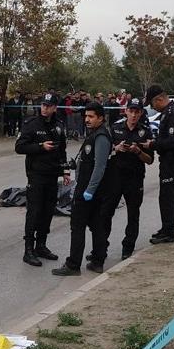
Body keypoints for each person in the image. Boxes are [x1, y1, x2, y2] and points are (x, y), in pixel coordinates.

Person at [52, 102, 114, 276]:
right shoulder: (94, 134)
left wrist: (90, 190)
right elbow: (88, 159)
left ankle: (73, 265)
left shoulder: (101, 136)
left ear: (100, 118)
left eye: (91, 116)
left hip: (89, 191)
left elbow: (100, 166)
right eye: (86, 116)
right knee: (96, 225)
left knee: (78, 226)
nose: (87, 119)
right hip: (88, 188)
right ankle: (97, 261)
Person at [15, 93, 70, 267]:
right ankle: (28, 250)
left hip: (52, 174)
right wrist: (40, 146)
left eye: (49, 106)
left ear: (55, 108)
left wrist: (65, 171)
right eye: (43, 105)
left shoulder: (59, 125)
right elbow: (20, 147)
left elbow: (62, 151)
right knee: (34, 211)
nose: (45, 108)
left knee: (48, 211)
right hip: (36, 174)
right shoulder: (31, 124)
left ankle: (41, 245)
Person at [100, 98, 154, 260]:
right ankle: (100, 247)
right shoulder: (115, 128)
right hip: (115, 177)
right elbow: (104, 151)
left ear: (141, 113)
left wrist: (138, 152)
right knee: (105, 213)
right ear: (126, 111)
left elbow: (150, 160)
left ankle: (128, 247)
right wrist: (116, 148)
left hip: (134, 178)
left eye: (137, 112)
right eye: (131, 111)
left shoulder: (145, 131)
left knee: (133, 214)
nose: (134, 115)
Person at [143, 85, 174, 244]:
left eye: (152, 104)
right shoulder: (170, 111)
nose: (152, 108)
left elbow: (173, 141)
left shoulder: (173, 113)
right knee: (165, 197)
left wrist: (152, 145)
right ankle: (166, 228)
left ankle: (169, 232)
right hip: (170, 161)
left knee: (168, 197)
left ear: (159, 99)